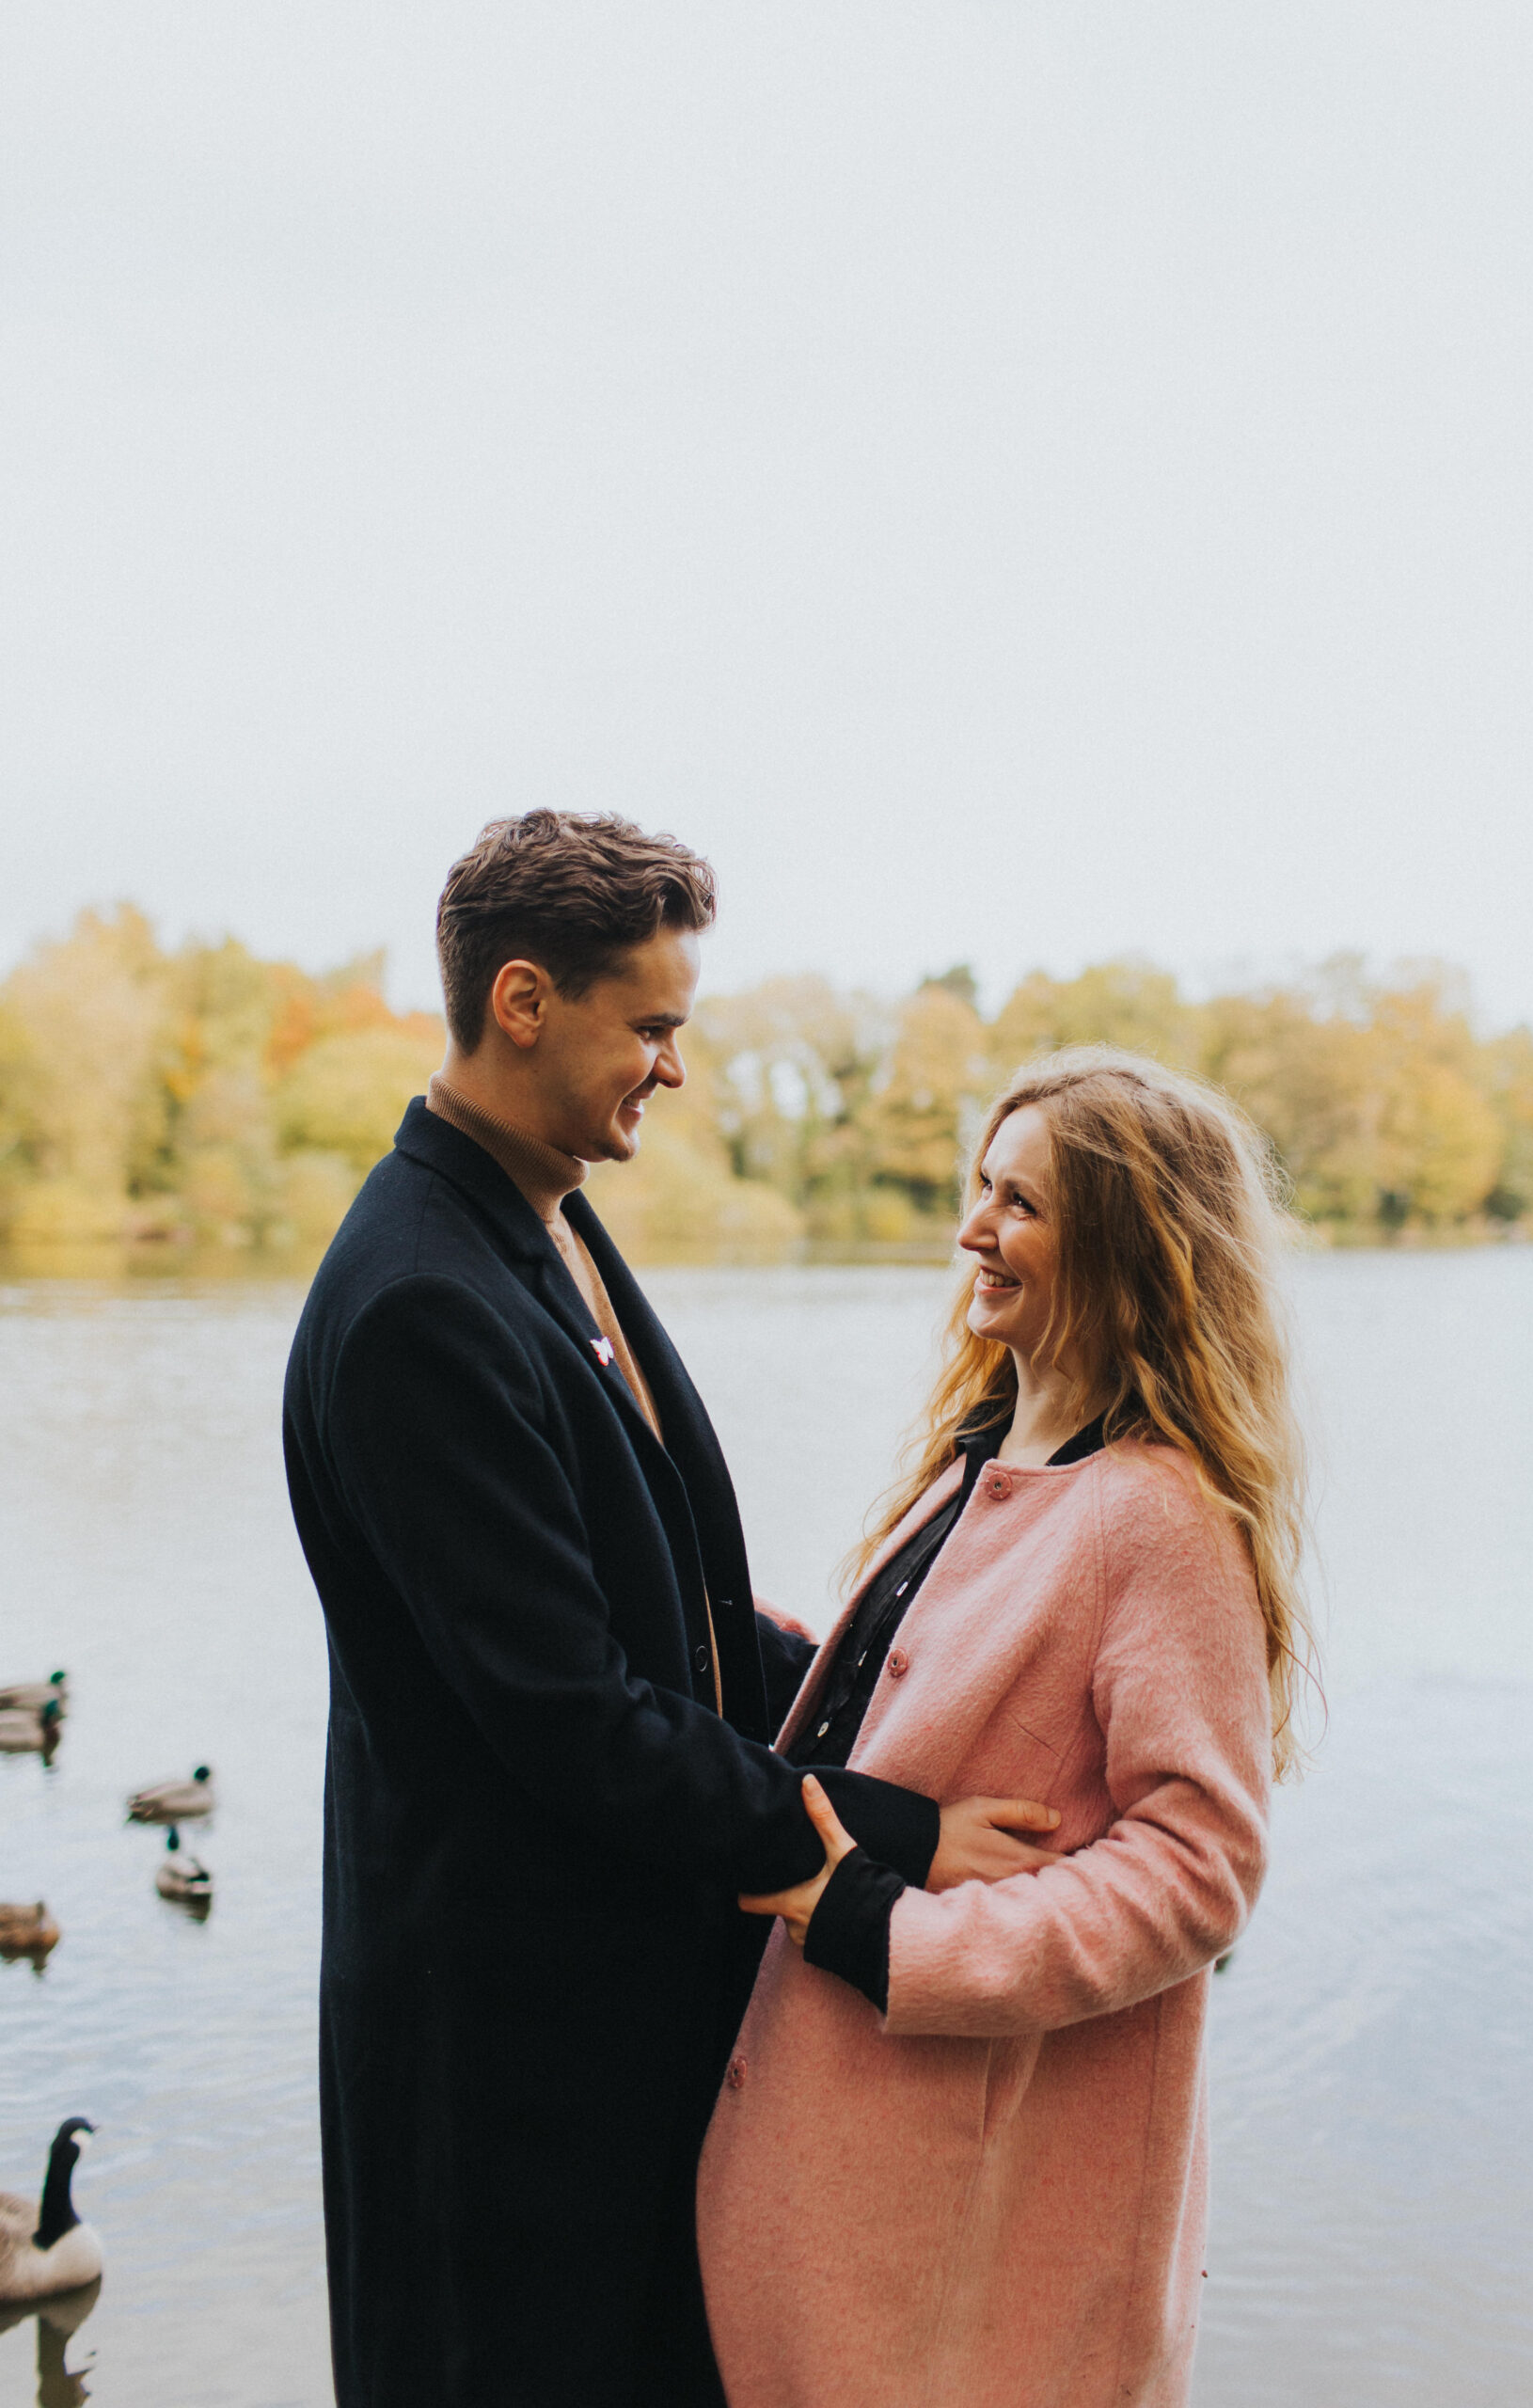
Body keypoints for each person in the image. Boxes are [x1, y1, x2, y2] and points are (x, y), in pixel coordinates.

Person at [282, 809, 1060, 2408]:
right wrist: (887, 1832)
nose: (675, 1067)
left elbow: (687, 1614)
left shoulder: (543, 1214)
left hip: (615, 2013)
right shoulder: (423, 1300)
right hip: (502, 2051)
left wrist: (901, 1671)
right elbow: (574, 1720)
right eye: (651, 1026)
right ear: (520, 1000)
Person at [698, 1048, 1313, 2408]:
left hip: (968, 2236)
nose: (972, 1227)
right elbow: (922, 1701)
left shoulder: (1156, 1516)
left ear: (1124, 1244)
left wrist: (878, 1927)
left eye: (1018, 1202)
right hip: (844, 2174)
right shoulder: (991, 1448)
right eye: (983, 1187)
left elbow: (1199, 1868)